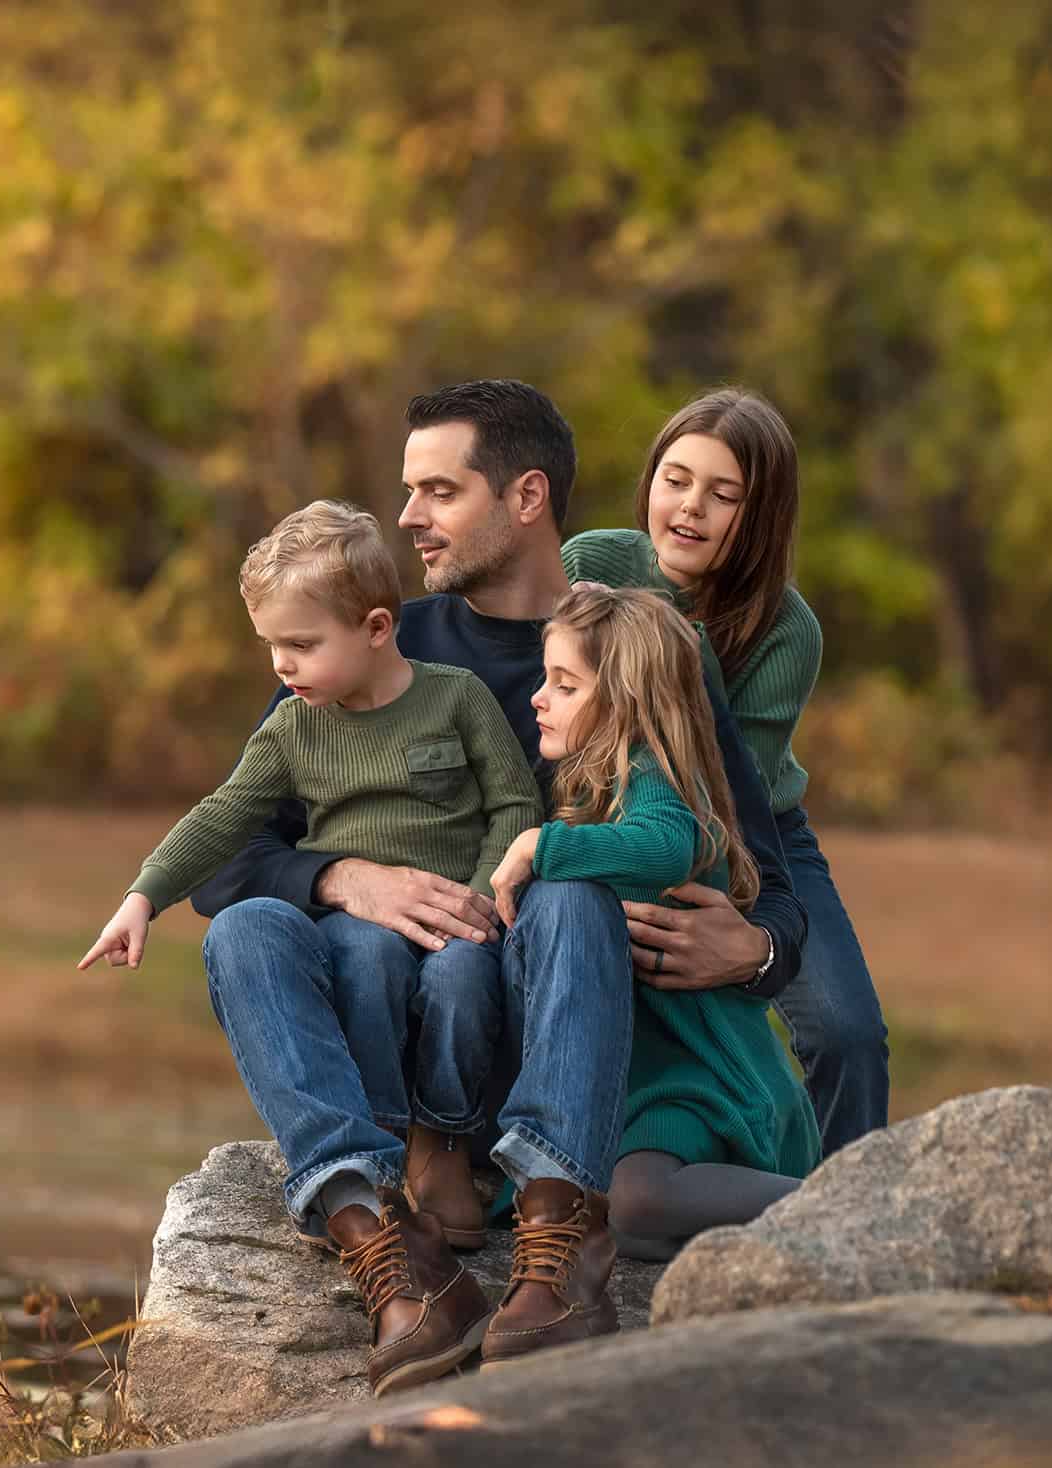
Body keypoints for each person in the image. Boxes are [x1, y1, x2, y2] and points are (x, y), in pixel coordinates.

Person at [192, 380, 810, 1385]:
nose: (406, 518)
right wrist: (346, 877)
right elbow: (225, 857)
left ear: (526, 497)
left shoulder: (639, 645)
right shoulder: (377, 640)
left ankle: (556, 1250)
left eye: (437, 491)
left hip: (562, 1044)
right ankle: (395, 1259)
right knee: (243, 933)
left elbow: (766, 881)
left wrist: (758, 947)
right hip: (404, 1038)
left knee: (564, 891)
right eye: (407, 491)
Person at [81, 498, 540, 1285]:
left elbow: (514, 804)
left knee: (465, 979)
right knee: (363, 955)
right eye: (270, 646)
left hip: (460, 918)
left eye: (299, 645)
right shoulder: (294, 728)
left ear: (375, 628)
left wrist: (482, 897)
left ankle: (444, 1143)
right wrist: (142, 897)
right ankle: (377, 1163)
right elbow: (226, 815)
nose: (280, 668)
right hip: (353, 923)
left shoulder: (456, 697)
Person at [561, 388, 888, 1155]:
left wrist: (753, 944)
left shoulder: (786, 630)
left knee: (849, 1032)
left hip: (753, 827)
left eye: (723, 495)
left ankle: (851, 1215)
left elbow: (726, 790)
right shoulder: (593, 561)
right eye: (675, 480)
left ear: (761, 515)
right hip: (610, 808)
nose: (689, 508)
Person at [487, 586, 819, 1269]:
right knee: (615, 1218)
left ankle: (849, 1202)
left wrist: (537, 846)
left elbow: (666, 845)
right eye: (545, 679)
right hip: (640, 1090)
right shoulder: (593, 785)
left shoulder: (658, 779)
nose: (538, 699)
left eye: (565, 685)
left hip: (703, 1085)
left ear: (626, 705)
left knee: (637, 1208)